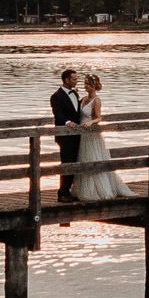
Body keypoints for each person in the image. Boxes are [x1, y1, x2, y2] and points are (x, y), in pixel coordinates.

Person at [72, 72, 138, 202]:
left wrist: (91, 122)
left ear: (94, 86)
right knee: (83, 158)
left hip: (92, 134)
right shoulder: (84, 99)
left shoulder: (96, 100)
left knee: (93, 157)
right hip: (82, 134)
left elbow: (99, 117)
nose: (85, 86)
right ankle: (83, 188)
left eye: (88, 84)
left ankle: (99, 188)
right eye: (84, 83)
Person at [51, 69, 85, 202]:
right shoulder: (56, 96)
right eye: (74, 79)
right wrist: (67, 122)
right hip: (64, 136)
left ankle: (69, 191)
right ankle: (62, 193)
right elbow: (58, 113)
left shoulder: (75, 94)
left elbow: (76, 111)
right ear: (66, 80)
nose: (76, 81)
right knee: (66, 163)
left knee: (75, 163)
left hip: (77, 135)